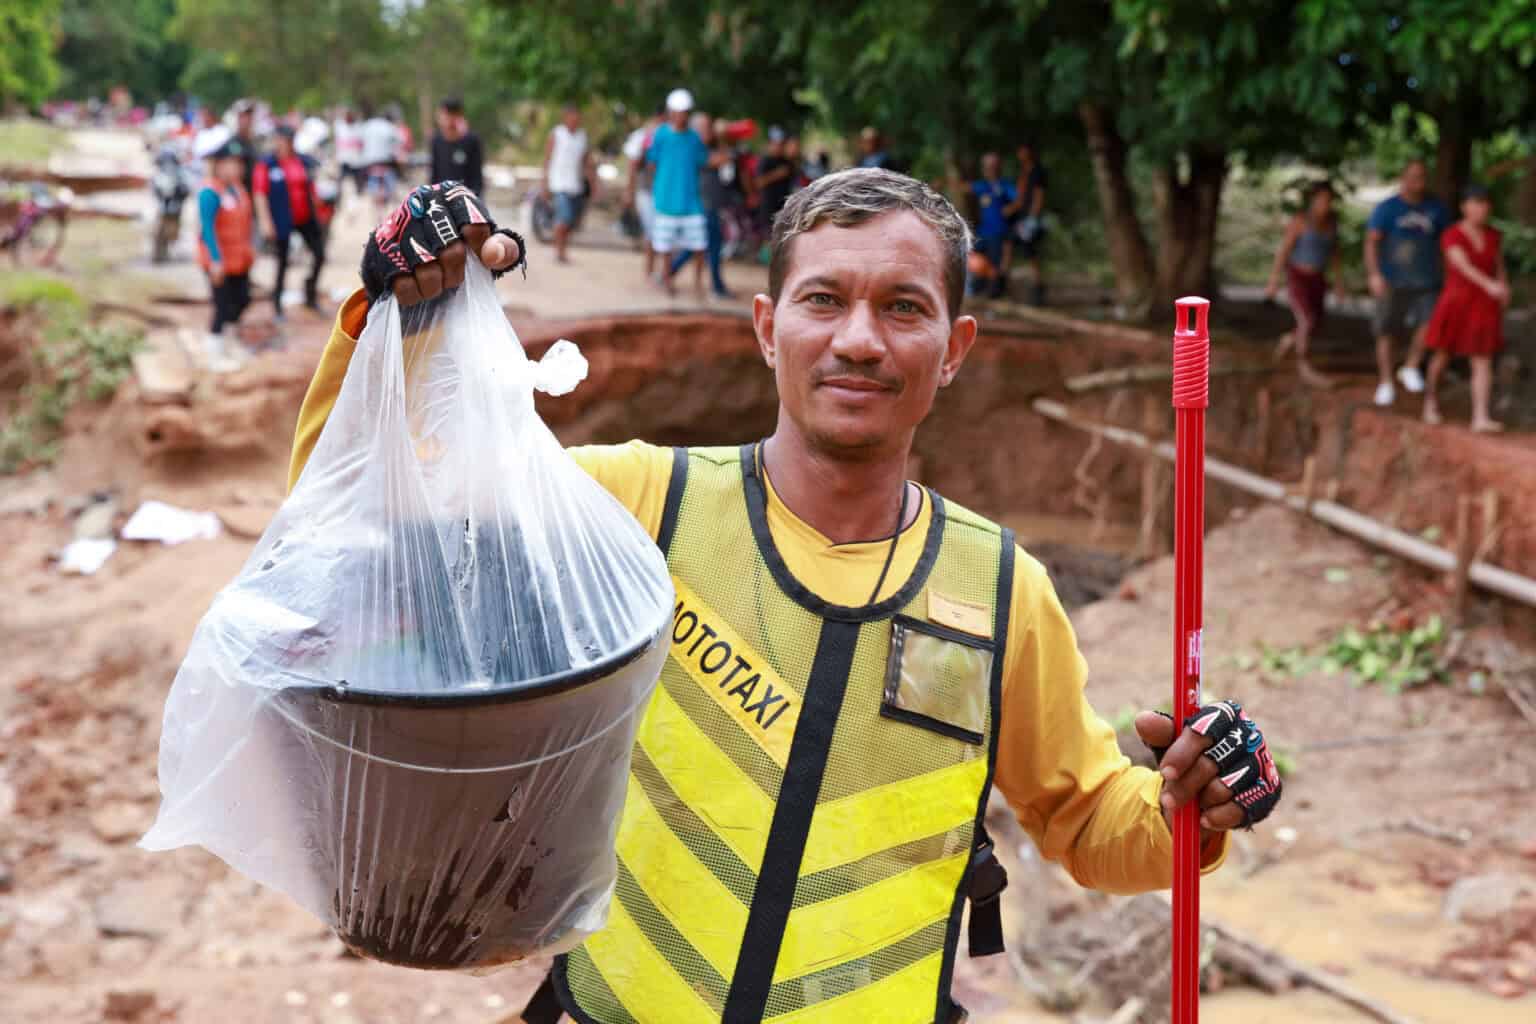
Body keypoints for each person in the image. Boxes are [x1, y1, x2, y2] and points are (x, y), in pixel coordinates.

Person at [290, 169, 1283, 1024]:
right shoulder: (638, 508)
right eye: (824, 300)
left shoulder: (1000, 591)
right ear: (769, 329)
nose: (860, 339)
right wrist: (393, 312)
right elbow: (367, 531)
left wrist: (1194, 805)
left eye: (904, 308)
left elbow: (1089, 821)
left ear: (955, 347)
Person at [1364, 159, 1452, 407]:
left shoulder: (1437, 209)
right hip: (1392, 279)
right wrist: (1374, 274)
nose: (1417, 183)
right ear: (1403, 178)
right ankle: (1385, 381)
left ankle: (1411, 365)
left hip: (1427, 279)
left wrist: (1448, 277)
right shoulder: (1387, 209)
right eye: (1412, 177)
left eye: (1422, 177)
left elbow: (1446, 246)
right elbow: (1371, 242)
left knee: (1429, 323)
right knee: (1386, 330)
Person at [1422, 184, 1509, 431]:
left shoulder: (1493, 235)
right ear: (1464, 207)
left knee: (1482, 359)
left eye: (1485, 203)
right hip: (1456, 302)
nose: (1482, 208)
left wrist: (1504, 287)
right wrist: (1489, 285)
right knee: (1442, 355)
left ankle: (1480, 416)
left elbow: (1498, 264)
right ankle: (1430, 403)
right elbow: (1461, 265)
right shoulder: (1452, 234)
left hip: (1484, 305)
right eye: (1476, 203)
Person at [1263, 181, 1344, 388]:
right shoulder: (1300, 221)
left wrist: (1338, 282)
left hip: (1318, 279)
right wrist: (1273, 280)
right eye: (1320, 200)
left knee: (1314, 324)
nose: (1324, 204)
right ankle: (1304, 366)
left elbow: (1335, 253)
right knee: (1306, 321)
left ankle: (1288, 340)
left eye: (1328, 200)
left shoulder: (1332, 223)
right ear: (1312, 200)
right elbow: (1284, 251)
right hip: (1297, 277)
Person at [638, 88, 713, 297]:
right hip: (665, 200)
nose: (681, 116)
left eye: (684, 112)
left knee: (699, 245)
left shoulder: (694, 138)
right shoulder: (660, 134)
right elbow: (651, 162)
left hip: (690, 202)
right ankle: (667, 281)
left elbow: (703, 160)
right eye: (678, 112)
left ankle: (698, 284)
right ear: (671, 112)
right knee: (664, 246)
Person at [253, 125, 327, 320]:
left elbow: (311, 186)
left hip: (305, 216)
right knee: (282, 262)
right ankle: (277, 304)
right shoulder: (268, 164)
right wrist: (265, 221)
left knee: (319, 254)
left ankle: (310, 294)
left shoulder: (302, 161)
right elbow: (260, 193)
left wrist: (318, 209)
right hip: (281, 218)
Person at [196, 141, 254, 372]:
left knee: (242, 299)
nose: (236, 168)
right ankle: (214, 351)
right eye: (231, 163)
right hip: (219, 260)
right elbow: (207, 229)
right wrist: (215, 260)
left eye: (238, 164)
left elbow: (245, 223)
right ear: (219, 165)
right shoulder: (210, 192)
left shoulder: (237, 190)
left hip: (239, 259)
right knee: (221, 305)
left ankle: (230, 342)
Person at [668, 112, 732, 298]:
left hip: (707, 205)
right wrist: (722, 137)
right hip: (702, 205)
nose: (710, 131)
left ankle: (669, 272)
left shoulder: (702, 147)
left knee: (700, 244)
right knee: (710, 244)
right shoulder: (694, 149)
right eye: (706, 127)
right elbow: (721, 159)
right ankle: (716, 286)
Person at [544, 104, 593, 264]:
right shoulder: (557, 134)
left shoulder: (582, 137)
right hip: (559, 184)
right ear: (565, 118)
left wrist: (593, 182)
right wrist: (545, 183)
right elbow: (547, 159)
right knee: (564, 218)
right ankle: (559, 251)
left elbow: (587, 161)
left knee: (572, 221)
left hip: (576, 185)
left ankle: (563, 249)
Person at [969, 152, 1022, 299]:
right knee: (975, 258)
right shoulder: (983, 186)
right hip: (983, 232)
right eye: (986, 166)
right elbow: (965, 187)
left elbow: (1019, 200)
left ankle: (998, 291)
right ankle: (981, 286)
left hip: (999, 232)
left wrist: (1010, 209)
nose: (988, 169)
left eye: (991, 166)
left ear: (998, 167)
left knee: (997, 264)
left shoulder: (1005, 185)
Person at [623, 106, 665, 278]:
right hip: (646, 190)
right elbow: (633, 165)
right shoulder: (642, 136)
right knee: (652, 232)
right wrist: (629, 191)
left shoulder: (668, 135)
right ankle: (650, 270)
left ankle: (657, 271)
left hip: (663, 192)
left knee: (660, 233)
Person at [1009, 141, 1049, 306]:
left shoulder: (1038, 172)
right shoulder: (1023, 173)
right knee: (1011, 244)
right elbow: (1020, 196)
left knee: (1030, 252)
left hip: (1030, 219)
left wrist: (1033, 218)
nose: (1021, 155)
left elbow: (1039, 196)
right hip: (1021, 217)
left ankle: (1038, 287)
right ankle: (1005, 283)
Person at [429, 97, 484, 196]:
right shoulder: (436, 141)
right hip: (441, 196)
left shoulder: (471, 141)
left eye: (447, 116)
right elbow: (434, 173)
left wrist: (473, 195)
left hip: (466, 195)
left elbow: (477, 176)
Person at [359, 104, 403, 215]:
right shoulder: (389, 126)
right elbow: (399, 142)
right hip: (385, 162)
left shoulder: (367, 125)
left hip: (369, 163)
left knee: (372, 189)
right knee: (392, 188)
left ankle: (376, 209)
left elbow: (360, 142)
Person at [754, 127, 795, 231]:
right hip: (769, 209)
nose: (779, 147)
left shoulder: (786, 161)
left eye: (781, 144)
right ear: (770, 144)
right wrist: (776, 174)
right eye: (776, 144)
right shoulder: (765, 160)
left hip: (783, 209)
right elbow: (758, 183)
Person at [334, 108, 365, 198]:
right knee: (341, 179)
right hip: (344, 158)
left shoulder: (358, 127)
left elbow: (361, 143)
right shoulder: (340, 126)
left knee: (357, 179)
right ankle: (339, 196)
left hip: (356, 158)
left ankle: (359, 194)